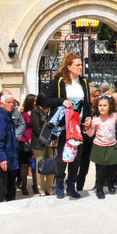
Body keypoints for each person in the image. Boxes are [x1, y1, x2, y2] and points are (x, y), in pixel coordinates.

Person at [43, 52, 91, 199]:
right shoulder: (57, 82)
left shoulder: (83, 82)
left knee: (76, 158)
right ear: (69, 67)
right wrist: (61, 101)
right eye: (78, 65)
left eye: (81, 64)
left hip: (78, 126)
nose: (81, 67)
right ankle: (59, 184)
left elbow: (88, 103)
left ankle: (71, 186)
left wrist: (88, 117)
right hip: (64, 126)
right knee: (63, 157)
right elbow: (46, 101)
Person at [83, 95, 117, 199]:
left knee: (112, 168)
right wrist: (87, 127)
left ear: (110, 106)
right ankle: (99, 188)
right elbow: (90, 133)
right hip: (100, 147)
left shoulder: (114, 115)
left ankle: (111, 184)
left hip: (112, 146)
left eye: (104, 105)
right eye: (100, 105)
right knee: (101, 170)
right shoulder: (95, 119)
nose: (102, 107)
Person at [30, 93, 54, 196]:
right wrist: (46, 139)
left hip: (51, 143)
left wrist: (53, 139)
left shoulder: (51, 111)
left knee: (51, 165)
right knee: (40, 164)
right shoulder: (35, 111)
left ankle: (49, 188)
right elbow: (37, 128)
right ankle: (41, 189)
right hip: (39, 143)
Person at [18, 94, 38, 196]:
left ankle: (35, 185)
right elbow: (23, 127)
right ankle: (24, 185)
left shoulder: (38, 112)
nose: (36, 102)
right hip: (25, 142)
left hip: (36, 142)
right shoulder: (24, 114)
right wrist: (29, 138)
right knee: (24, 165)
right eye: (34, 101)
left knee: (35, 165)